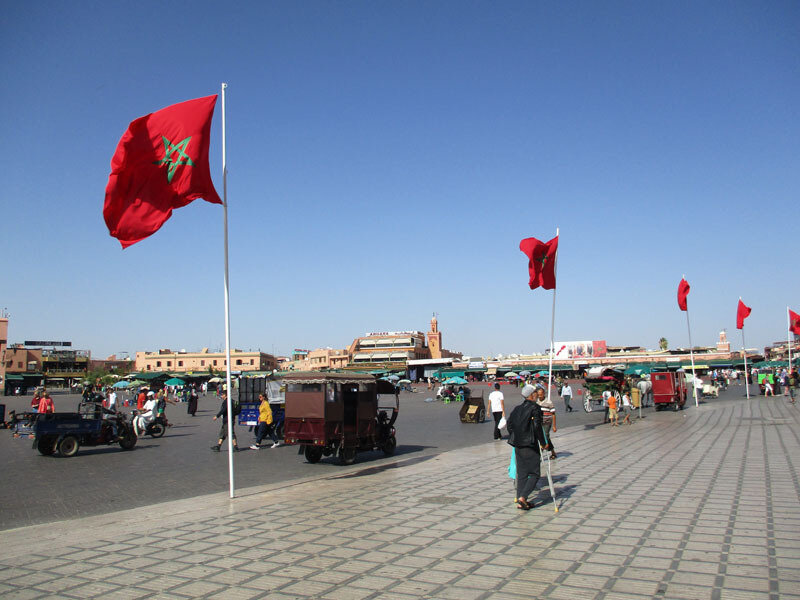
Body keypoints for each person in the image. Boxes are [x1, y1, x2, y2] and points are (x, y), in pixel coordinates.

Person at [506, 384, 547, 510]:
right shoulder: (535, 408)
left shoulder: (517, 409)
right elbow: (537, 426)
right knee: (534, 473)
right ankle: (523, 497)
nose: (536, 395)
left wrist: (516, 435)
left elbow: (509, 425)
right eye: (535, 393)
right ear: (531, 395)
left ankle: (520, 500)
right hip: (530, 444)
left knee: (522, 473)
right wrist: (543, 442)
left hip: (518, 445)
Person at [535, 388, 557, 459]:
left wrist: (554, 426)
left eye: (541, 395)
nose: (540, 396)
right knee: (546, 438)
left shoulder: (549, 402)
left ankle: (539, 453)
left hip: (547, 422)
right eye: (538, 395)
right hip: (539, 422)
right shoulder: (536, 401)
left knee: (545, 436)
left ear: (544, 394)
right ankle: (553, 452)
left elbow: (553, 414)